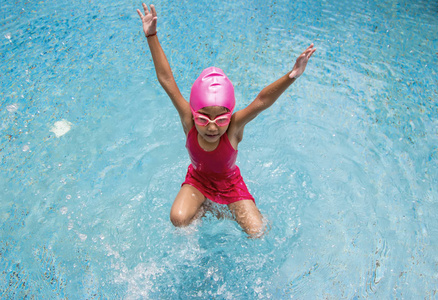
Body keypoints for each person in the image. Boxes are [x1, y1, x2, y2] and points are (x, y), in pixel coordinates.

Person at [137, 4, 316, 238]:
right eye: (203, 118)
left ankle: (221, 208)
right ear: (193, 113)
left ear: (230, 115)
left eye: (220, 118)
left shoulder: (234, 127)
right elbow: (166, 80)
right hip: (198, 180)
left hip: (230, 186)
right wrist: (151, 35)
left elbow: (262, 100)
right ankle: (205, 206)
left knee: (257, 232)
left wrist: (291, 76)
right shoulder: (188, 121)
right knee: (178, 219)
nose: (212, 126)